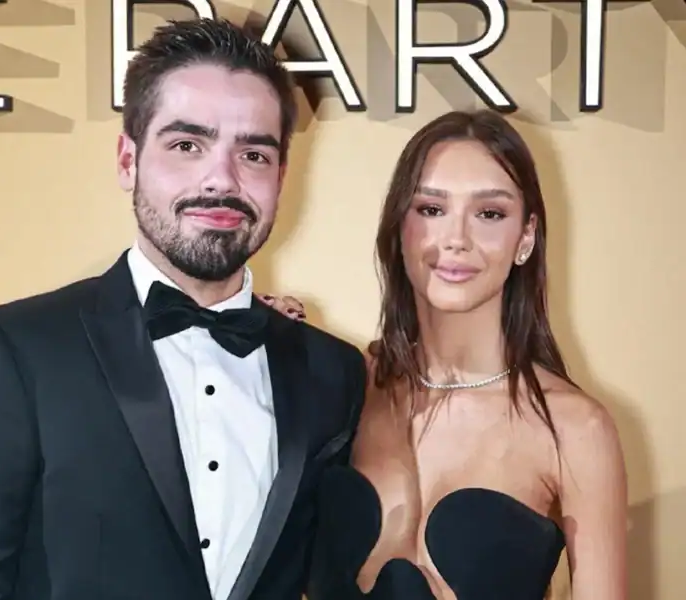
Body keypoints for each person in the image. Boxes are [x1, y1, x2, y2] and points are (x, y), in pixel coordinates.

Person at [0, 18, 367, 600]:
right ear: (128, 160)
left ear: (281, 176)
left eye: (253, 153)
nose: (221, 180)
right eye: (187, 145)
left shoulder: (333, 371)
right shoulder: (16, 351)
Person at [264, 110, 627, 599]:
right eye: (431, 209)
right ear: (399, 227)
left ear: (526, 237)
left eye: (489, 214)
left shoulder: (574, 429)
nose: (456, 239)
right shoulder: (344, 385)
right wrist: (264, 349)